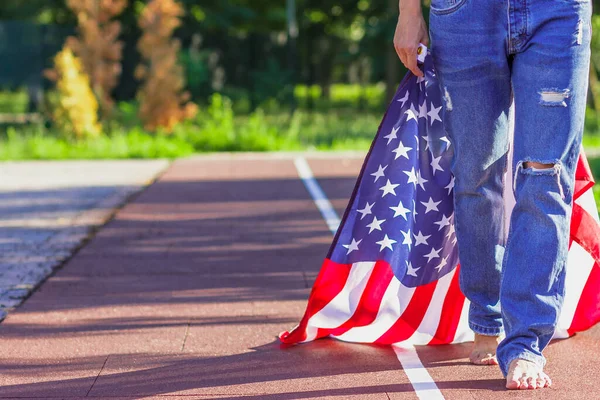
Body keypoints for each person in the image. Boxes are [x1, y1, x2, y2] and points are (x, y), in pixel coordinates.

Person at [393, 0, 592, 390]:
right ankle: (487, 315)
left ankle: (525, 344)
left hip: (558, 11)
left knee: (545, 176)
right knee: (476, 175)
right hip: (465, 13)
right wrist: (408, 11)